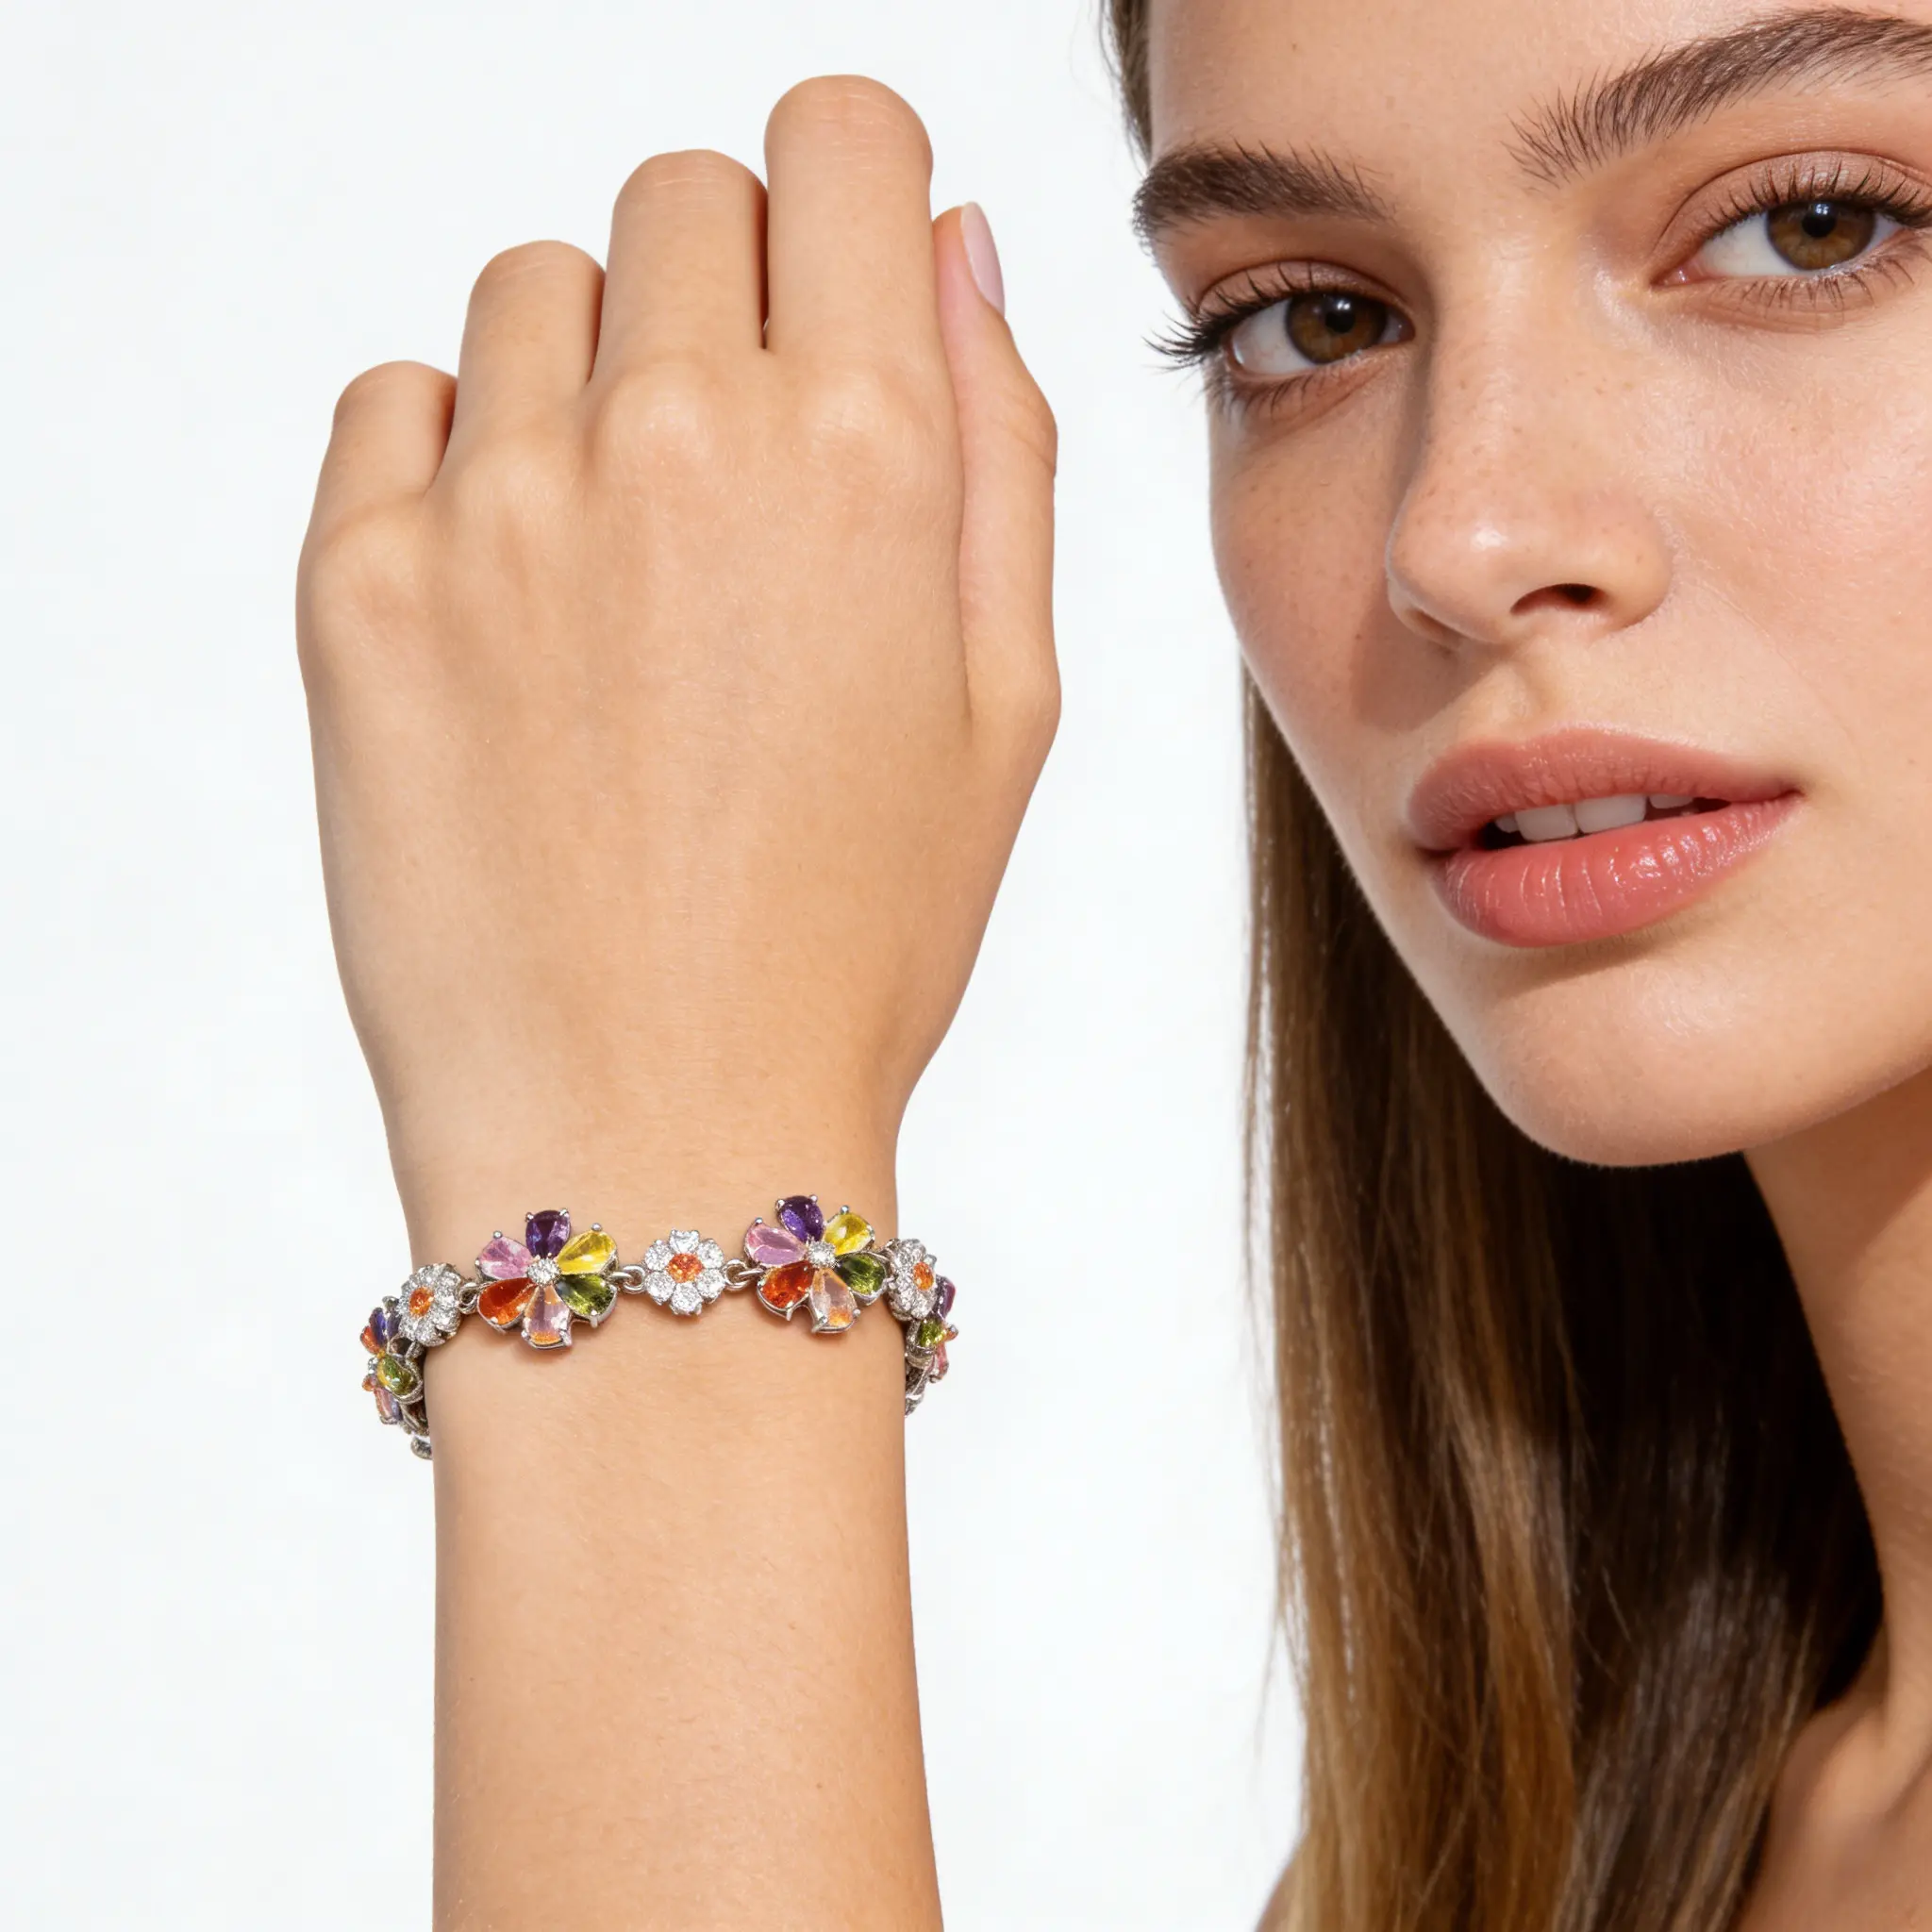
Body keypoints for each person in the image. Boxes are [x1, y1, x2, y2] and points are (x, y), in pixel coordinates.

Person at [296, 1, 1932, 1925]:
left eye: (1810, 227)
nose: (1458, 531)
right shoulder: (1590, 1854)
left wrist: (656, 1163)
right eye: (1312, 319)